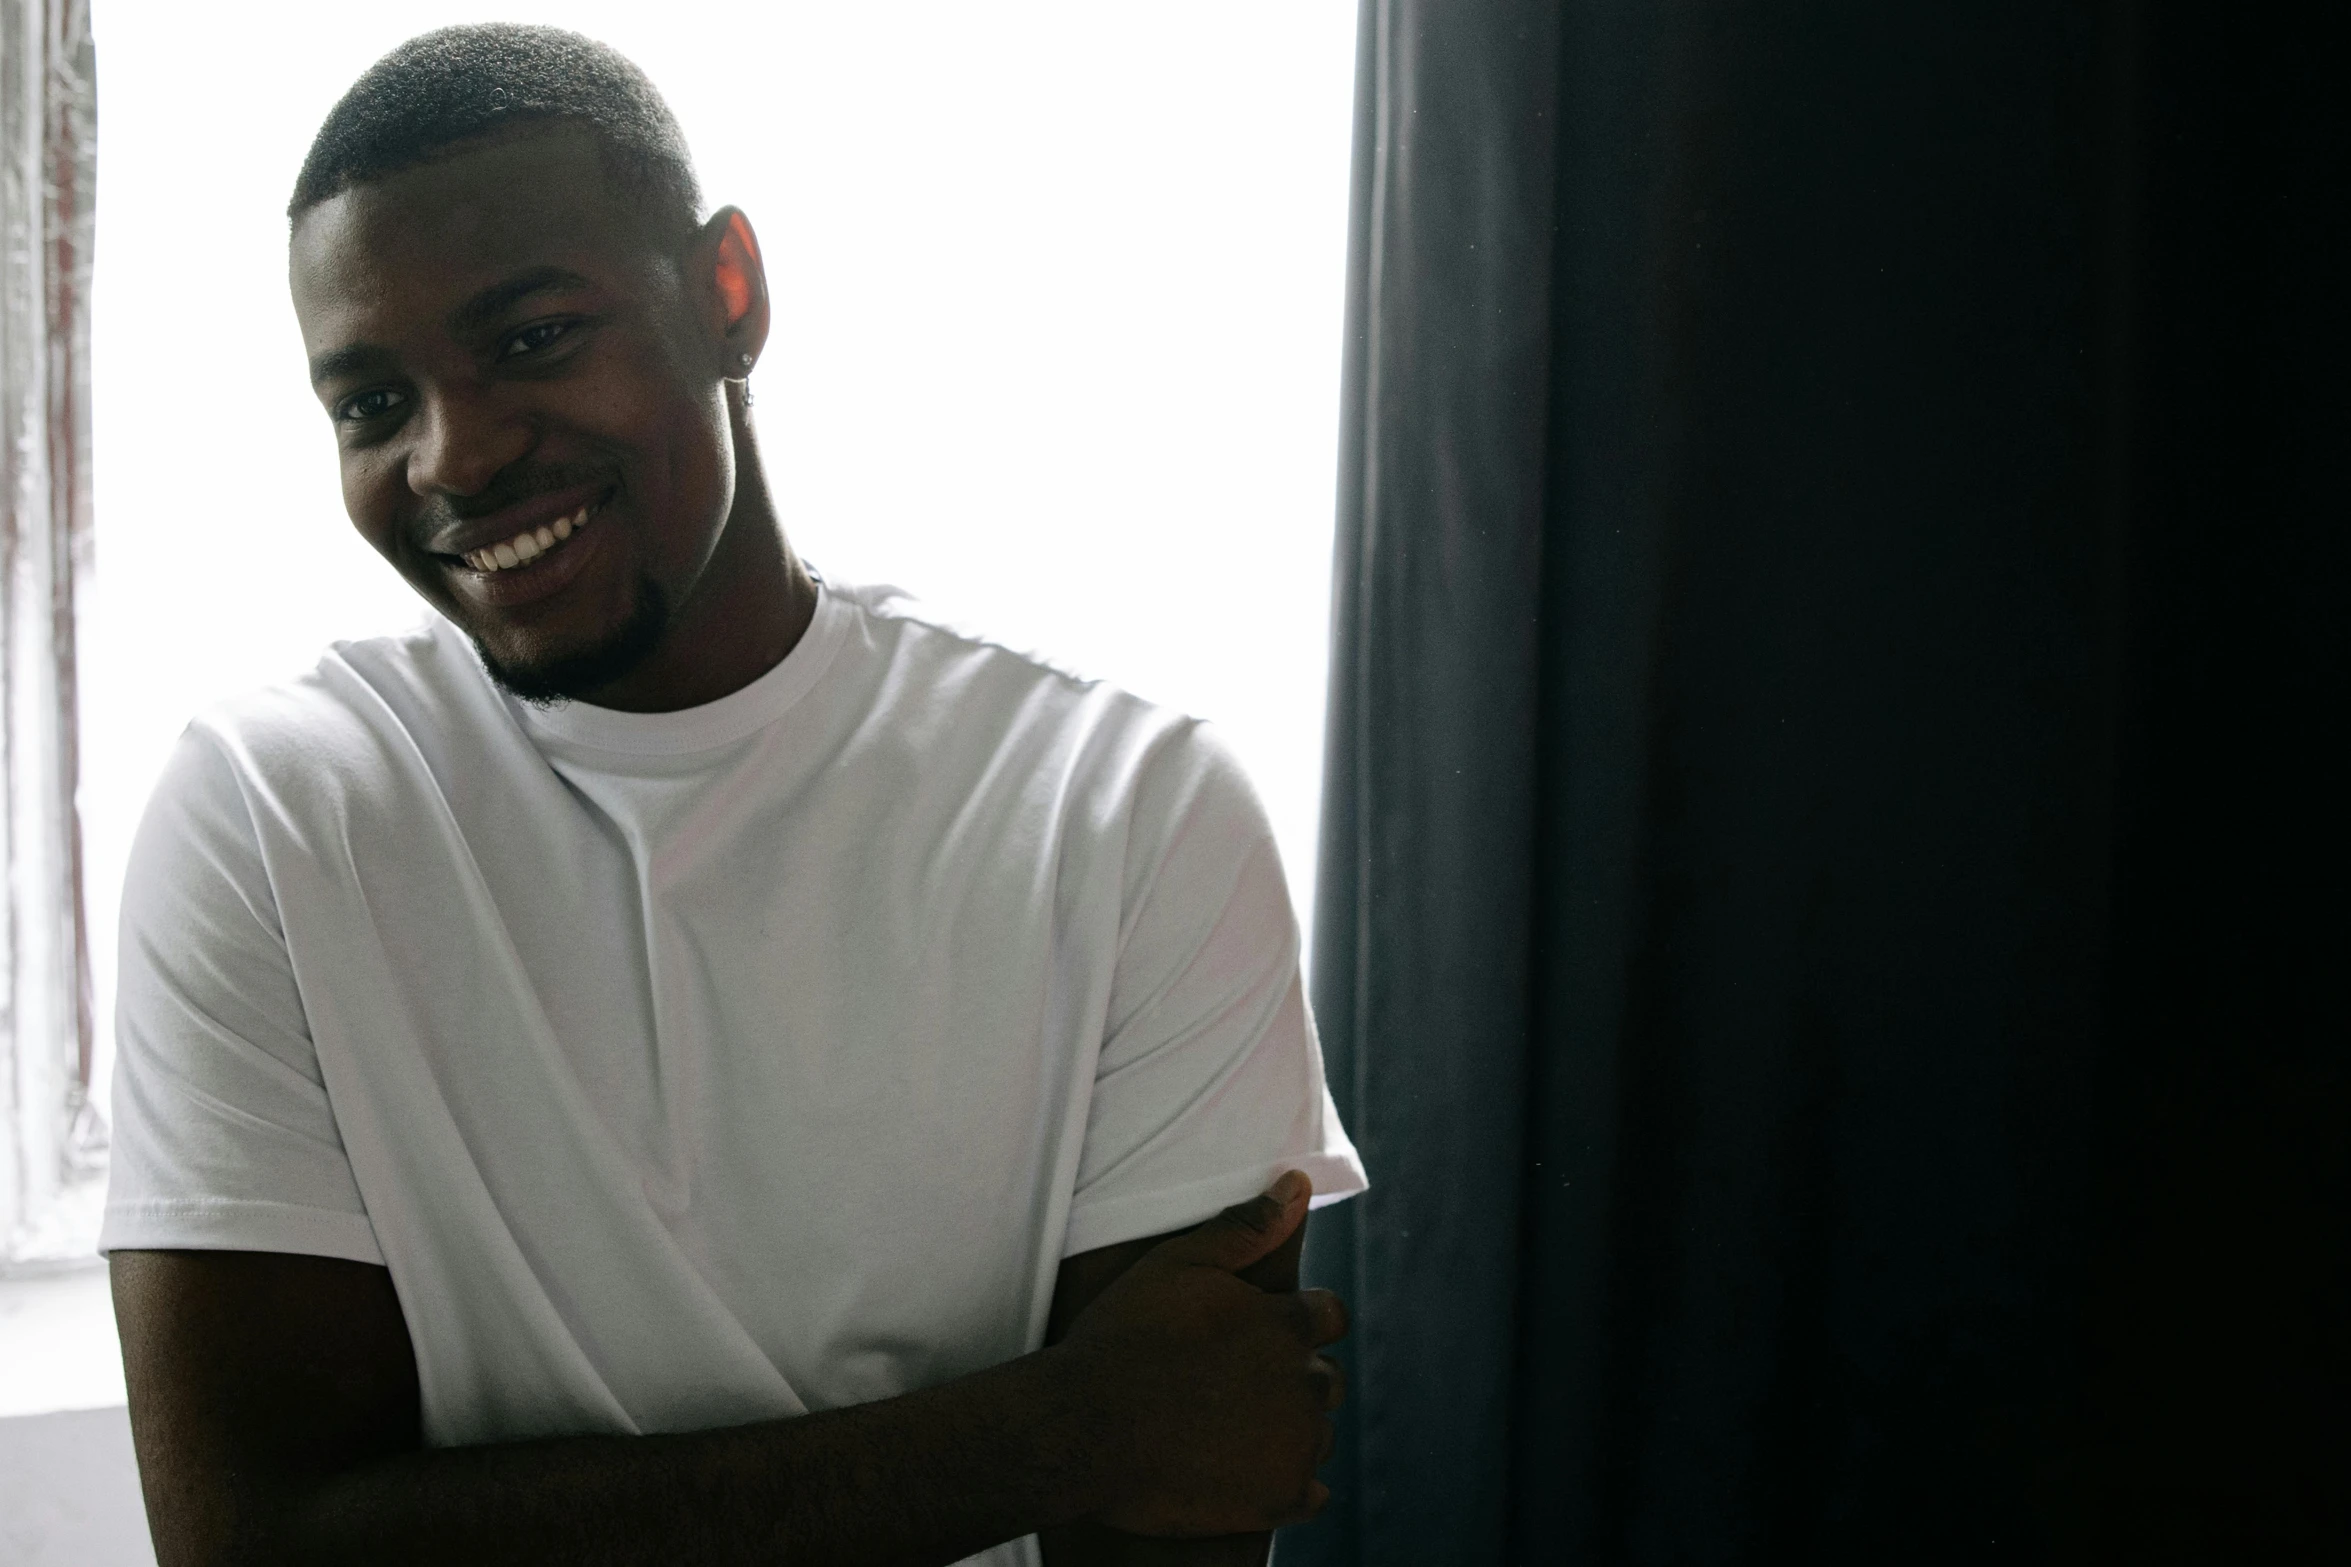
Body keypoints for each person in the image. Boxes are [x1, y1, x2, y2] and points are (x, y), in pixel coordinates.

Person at [99, 25, 1365, 1567]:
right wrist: (1055, 1427)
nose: (457, 452)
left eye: (532, 337)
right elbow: (254, 1545)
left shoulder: (1128, 810)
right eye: (370, 404)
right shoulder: (274, 816)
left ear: (729, 297)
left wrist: (1106, 1433)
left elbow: (1185, 1477)